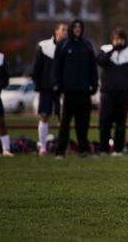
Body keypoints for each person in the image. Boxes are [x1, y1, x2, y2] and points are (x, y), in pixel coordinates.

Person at [52, 18, 98, 159]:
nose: (77, 29)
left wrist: (94, 84)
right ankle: (61, 150)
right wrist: (56, 83)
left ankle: (83, 149)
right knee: (65, 122)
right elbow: (57, 66)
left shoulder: (87, 46)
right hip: (68, 91)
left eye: (79, 27)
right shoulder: (63, 46)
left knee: (83, 123)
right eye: (75, 27)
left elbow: (93, 68)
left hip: (84, 90)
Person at [97, 27, 128, 156]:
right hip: (107, 92)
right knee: (105, 121)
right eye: (116, 39)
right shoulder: (105, 50)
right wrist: (113, 50)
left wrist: (127, 85)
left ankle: (118, 149)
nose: (119, 42)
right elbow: (100, 62)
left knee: (120, 122)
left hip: (123, 93)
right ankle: (103, 148)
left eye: (121, 39)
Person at [30, 22, 67, 156]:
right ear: (56, 31)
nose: (65, 33)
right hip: (46, 87)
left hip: (61, 89)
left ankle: (62, 146)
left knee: (62, 117)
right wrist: (38, 84)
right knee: (44, 115)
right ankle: (43, 146)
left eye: (66, 30)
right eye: (63, 30)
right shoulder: (44, 46)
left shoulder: (67, 47)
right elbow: (37, 68)